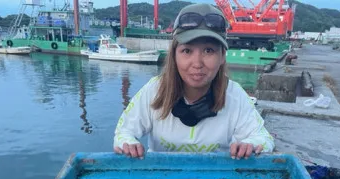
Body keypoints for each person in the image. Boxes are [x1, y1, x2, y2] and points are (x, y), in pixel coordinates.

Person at [113, 3, 274, 160]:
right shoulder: (154, 90)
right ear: (174, 55)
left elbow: (263, 138)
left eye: (208, 50)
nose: (197, 63)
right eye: (187, 51)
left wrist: (250, 144)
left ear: (223, 56)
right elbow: (124, 132)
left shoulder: (235, 95)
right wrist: (129, 144)